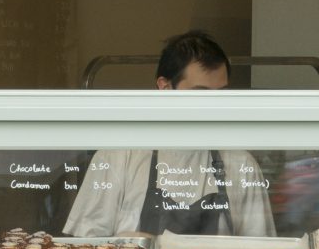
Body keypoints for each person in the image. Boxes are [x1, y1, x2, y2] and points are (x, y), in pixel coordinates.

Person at [63, 31, 275, 237]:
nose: (214, 106)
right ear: (164, 88)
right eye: (200, 94)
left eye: (221, 95)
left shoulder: (241, 165)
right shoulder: (118, 158)